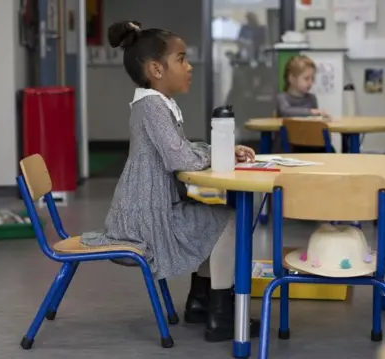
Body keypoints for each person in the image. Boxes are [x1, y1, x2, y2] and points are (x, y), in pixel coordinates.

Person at [80, 21, 260, 343]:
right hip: (146, 218)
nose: (188, 66)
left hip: (154, 208)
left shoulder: (158, 104)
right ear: (156, 69)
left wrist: (221, 151)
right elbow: (179, 159)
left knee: (216, 218)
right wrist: (218, 155)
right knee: (227, 220)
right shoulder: (151, 105)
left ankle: (201, 302)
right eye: (181, 59)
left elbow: (182, 148)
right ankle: (219, 314)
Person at [276, 55, 333, 153]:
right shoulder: (282, 98)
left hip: (311, 146)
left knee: (331, 151)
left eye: (312, 78)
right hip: (288, 148)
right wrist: (312, 112)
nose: (311, 82)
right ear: (292, 79)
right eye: (306, 78)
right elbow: (285, 111)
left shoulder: (312, 99)